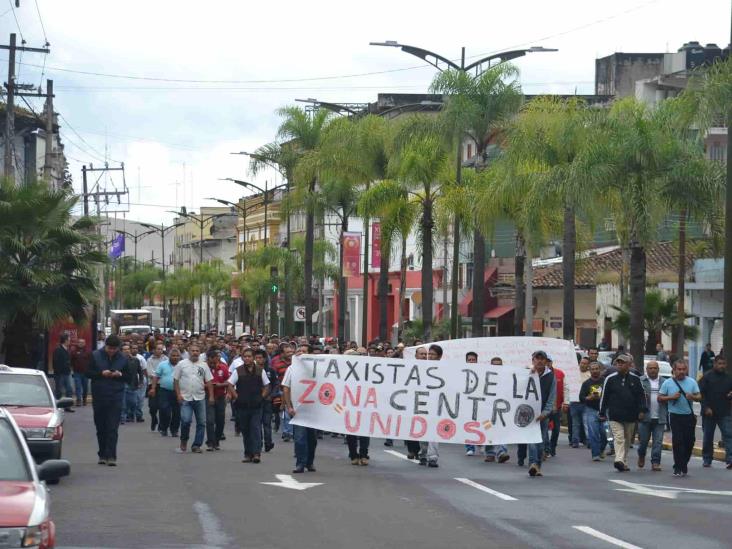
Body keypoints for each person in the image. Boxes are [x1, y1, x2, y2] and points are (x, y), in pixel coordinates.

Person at [86, 336, 132, 466]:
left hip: (116, 396)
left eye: (114, 349)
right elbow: (87, 373)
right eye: (109, 348)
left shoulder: (123, 358)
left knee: (112, 427)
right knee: (101, 427)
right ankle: (102, 454)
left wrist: (120, 374)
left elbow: (129, 377)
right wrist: (101, 373)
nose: (111, 351)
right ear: (105, 346)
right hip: (99, 395)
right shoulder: (95, 356)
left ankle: (111, 456)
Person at [599, 353, 646, 472]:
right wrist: (602, 412)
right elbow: (604, 396)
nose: (619, 365)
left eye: (622, 363)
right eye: (618, 363)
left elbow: (641, 396)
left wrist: (642, 410)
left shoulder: (635, 379)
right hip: (615, 415)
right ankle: (618, 460)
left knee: (627, 439)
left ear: (629, 365)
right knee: (619, 437)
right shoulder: (610, 379)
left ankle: (623, 461)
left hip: (631, 415)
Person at [659, 359, 701, 476]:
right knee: (678, 441)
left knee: (689, 441)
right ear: (674, 370)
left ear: (686, 370)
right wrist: (671, 397)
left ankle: (683, 463)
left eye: (683, 369)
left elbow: (699, 396)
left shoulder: (692, 382)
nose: (681, 372)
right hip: (674, 416)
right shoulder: (668, 383)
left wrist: (692, 396)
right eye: (679, 369)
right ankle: (678, 466)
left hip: (688, 416)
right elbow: (660, 398)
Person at [228, 348, 270, 463]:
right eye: (245, 356)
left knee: (255, 429)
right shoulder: (238, 371)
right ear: (242, 358)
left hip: (256, 406)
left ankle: (257, 453)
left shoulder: (260, 370)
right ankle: (248, 454)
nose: (247, 358)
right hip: (242, 406)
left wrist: (262, 397)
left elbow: (267, 385)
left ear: (253, 357)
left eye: (249, 356)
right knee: (245, 430)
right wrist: (236, 396)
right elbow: (230, 384)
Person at [174, 343, 213, 454]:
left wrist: (211, 396)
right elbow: (176, 380)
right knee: (185, 421)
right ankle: (184, 441)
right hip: (185, 397)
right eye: (193, 350)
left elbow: (209, 381)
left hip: (200, 397)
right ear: (189, 351)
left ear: (200, 352)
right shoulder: (181, 364)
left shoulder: (204, 365)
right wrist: (178, 394)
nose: (195, 352)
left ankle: (196, 445)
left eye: (197, 351)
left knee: (201, 422)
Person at [282, 362, 317, 474]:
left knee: (312, 438)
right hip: (298, 410)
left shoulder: (318, 368)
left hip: (314, 410)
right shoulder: (292, 369)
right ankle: (300, 464)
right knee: (300, 437)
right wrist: (289, 406)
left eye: (305, 351)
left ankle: (309, 462)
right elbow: (286, 388)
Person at [698, 356, 732, 469]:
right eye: (719, 363)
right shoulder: (707, 377)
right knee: (708, 437)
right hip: (709, 412)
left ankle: (730, 459)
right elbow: (700, 394)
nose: (721, 366)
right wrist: (706, 407)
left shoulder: (728, 378)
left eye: (723, 363)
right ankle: (707, 459)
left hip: (725, 411)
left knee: (728, 435)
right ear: (715, 364)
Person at [527, 351, 556, 477]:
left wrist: (545, 413)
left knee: (541, 441)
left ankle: (538, 465)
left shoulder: (551, 377)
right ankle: (532, 464)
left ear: (546, 361)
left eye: (542, 359)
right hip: (528, 414)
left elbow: (551, 397)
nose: (539, 361)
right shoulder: (526, 374)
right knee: (531, 440)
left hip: (543, 415)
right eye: (536, 358)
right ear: (533, 360)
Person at [637, 361, 667, 472]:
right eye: (650, 368)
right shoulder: (640, 381)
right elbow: (636, 398)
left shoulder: (665, 382)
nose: (653, 370)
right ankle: (641, 455)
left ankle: (655, 462)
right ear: (647, 369)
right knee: (643, 441)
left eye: (655, 368)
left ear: (658, 369)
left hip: (660, 416)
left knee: (658, 442)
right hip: (645, 417)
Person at [418, 344, 443, 468]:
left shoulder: (445, 369)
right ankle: (423, 452)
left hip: (437, 404)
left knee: (434, 431)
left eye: (433, 354)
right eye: (429, 354)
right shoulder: (422, 368)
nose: (430, 356)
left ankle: (433, 457)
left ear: (439, 356)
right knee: (422, 430)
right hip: (423, 403)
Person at [484, 356, 510, 464]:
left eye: (499, 365)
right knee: (488, 430)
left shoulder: (506, 379)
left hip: (501, 409)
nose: (496, 367)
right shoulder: (485, 377)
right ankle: (490, 453)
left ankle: (501, 453)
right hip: (486, 409)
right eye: (494, 365)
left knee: (502, 430)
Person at [149, 347, 181, 437]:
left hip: (178, 392)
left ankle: (174, 430)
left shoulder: (182, 365)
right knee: (164, 410)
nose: (175, 357)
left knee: (177, 412)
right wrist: (153, 388)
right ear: (169, 356)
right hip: (164, 391)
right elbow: (156, 377)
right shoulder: (162, 364)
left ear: (179, 357)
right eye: (173, 356)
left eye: (177, 356)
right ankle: (163, 428)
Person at [579, 361, 607, 462]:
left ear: (600, 369)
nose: (595, 371)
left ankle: (601, 449)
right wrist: (588, 397)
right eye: (593, 369)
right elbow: (581, 398)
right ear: (589, 371)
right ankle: (595, 454)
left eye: (596, 369)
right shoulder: (586, 384)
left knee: (604, 434)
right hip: (590, 410)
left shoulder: (605, 381)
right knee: (593, 433)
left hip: (604, 410)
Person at [205, 349, 229, 451]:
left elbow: (229, 381)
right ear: (207, 360)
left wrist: (222, 386)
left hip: (220, 396)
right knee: (210, 420)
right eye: (211, 362)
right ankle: (210, 442)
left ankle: (217, 440)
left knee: (220, 420)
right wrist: (208, 385)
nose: (213, 364)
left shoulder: (223, 368)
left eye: (215, 362)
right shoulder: (204, 368)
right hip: (207, 397)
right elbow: (198, 382)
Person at [254, 348, 277, 452]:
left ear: (264, 359)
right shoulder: (252, 370)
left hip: (267, 400)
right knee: (257, 423)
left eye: (260, 358)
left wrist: (272, 395)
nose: (259, 360)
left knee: (266, 423)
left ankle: (268, 443)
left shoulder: (270, 370)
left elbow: (276, 384)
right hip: (256, 400)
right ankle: (259, 443)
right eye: (257, 358)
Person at [546, 357, 568, 458]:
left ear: (551, 362)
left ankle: (552, 447)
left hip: (557, 407)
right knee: (544, 428)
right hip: (544, 408)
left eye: (549, 361)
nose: (547, 363)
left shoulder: (560, 373)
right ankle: (546, 449)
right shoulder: (538, 373)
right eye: (545, 361)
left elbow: (566, 388)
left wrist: (566, 402)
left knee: (556, 429)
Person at [568, 356, 590, 448]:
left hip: (586, 402)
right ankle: (575, 442)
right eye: (582, 363)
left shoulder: (590, 375)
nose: (583, 365)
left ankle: (589, 441)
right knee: (575, 423)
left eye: (585, 363)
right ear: (579, 363)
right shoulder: (573, 373)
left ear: (588, 365)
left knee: (586, 423)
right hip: (574, 402)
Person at [145, 343, 167, 432]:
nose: (159, 351)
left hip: (162, 385)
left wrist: (158, 375)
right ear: (154, 350)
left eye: (161, 349)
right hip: (152, 385)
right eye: (158, 349)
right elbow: (150, 373)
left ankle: (161, 425)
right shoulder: (150, 360)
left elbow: (167, 372)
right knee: (152, 406)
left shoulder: (166, 359)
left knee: (163, 406)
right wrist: (158, 375)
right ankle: (154, 419)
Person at [120, 344, 144, 425]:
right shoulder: (118, 360)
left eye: (128, 349)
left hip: (132, 384)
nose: (126, 351)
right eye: (124, 349)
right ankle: (122, 418)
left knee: (133, 402)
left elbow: (140, 372)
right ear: (121, 351)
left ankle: (130, 415)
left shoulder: (135, 360)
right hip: (122, 384)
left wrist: (141, 381)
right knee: (123, 403)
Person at [52, 334, 74, 408]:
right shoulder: (58, 350)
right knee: (59, 390)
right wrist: (58, 372)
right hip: (60, 374)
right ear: (65, 341)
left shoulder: (67, 350)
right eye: (68, 340)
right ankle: (58, 406)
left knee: (69, 389)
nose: (69, 341)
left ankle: (68, 406)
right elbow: (55, 362)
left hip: (67, 373)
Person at [71, 338, 91, 407]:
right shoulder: (74, 351)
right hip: (77, 373)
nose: (81, 344)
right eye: (79, 342)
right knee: (78, 387)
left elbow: (91, 361)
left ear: (85, 343)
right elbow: (71, 361)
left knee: (85, 387)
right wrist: (72, 369)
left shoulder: (88, 351)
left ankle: (84, 399)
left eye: (82, 342)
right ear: (77, 343)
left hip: (85, 373)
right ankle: (78, 400)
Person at [131, 344, 148, 423]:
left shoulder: (141, 358)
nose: (134, 350)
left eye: (136, 348)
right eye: (133, 348)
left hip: (140, 380)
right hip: (131, 381)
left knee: (140, 399)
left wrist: (144, 380)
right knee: (132, 399)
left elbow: (144, 370)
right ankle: (130, 415)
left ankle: (139, 415)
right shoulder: (127, 358)